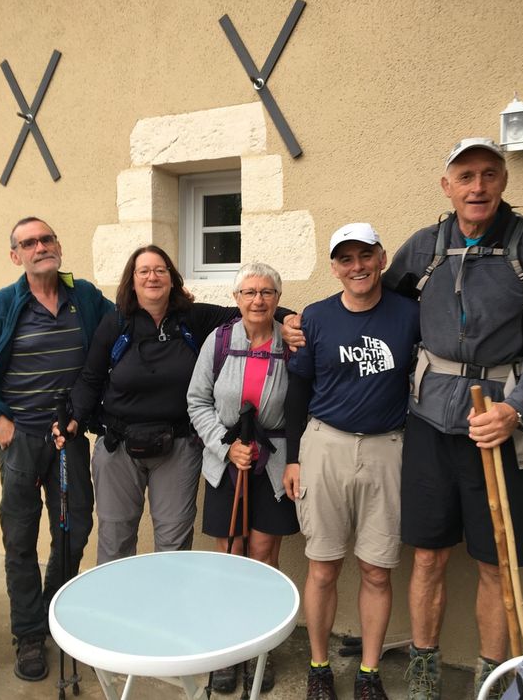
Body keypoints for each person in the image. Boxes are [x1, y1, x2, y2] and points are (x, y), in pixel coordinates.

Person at [382, 138, 523, 700]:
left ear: (504, 180)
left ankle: (489, 675)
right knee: (429, 553)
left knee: (494, 560)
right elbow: (380, 304)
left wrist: (516, 409)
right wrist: (303, 324)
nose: (477, 188)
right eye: (465, 177)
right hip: (429, 420)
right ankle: (423, 671)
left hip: (498, 425)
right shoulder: (425, 245)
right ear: (447, 187)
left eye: (488, 175)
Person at [56, 246, 295, 569]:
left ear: (172, 279)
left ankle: (166, 617)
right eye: (144, 271)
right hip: (119, 445)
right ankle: (114, 613)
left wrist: (289, 318)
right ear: (132, 280)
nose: (152, 276)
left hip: (177, 445)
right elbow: (91, 376)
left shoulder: (193, 319)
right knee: (116, 538)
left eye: (160, 270)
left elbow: (249, 309)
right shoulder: (116, 323)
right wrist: (74, 417)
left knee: (173, 544)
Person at [284, 223, 421, 700]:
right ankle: (319, 667)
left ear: (382, 258)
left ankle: (368, 673)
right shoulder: (315, 318)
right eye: (346, 259)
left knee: (377, 569)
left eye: (366, 255)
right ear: (335, 268)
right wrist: (292, 457)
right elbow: (298, 390)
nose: (357, 266)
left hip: (387, 447)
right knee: (322, 566)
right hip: (325, 445)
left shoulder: (410, 315)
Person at [0, 217, 113, 681]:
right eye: (29, 242)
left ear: (58, 244)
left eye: (47, 238)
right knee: (20, 539)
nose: (41, 246)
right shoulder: (0, 305)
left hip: (70, 437)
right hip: (20, 440)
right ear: (15, 255)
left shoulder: (86, 298)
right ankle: (30, 635)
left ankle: (51, 612)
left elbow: (131, 319)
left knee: (74, 529)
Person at [187, 263, 299, 694]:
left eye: (267, 292)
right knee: (230, 556)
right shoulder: (218, 341)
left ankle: (258, 650)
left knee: (263, 558)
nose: (258, 300)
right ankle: (229, 649)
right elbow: (197, 401)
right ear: (236, 298)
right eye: (249, 292)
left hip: (272, 462)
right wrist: (223, 444)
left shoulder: (290, 344)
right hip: (227, 462)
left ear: (277, 297)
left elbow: (303, 401)